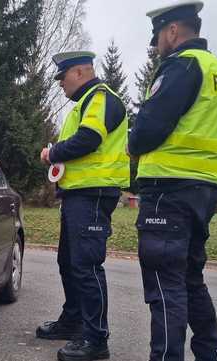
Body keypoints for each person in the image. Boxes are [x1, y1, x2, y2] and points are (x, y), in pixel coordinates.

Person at [128, 1, 217, 360]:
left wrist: (134, 143)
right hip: (204, 189)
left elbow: (146, 129)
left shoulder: (181, 65)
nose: (157, 44)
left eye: (159, 35)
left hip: (168, 191)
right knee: (190, 278)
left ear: (172, 30)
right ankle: (211, 353)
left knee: (164, 285)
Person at [37, 51, 130, 361]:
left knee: (87, 267)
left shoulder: (100, 97)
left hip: (93, 193)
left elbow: (88, 140)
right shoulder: (87, 102)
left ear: (80, 72)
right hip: (79, 194)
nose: (61, 84)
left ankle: (95, 339)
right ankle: (74, 321)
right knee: (69, 262)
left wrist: (53, 153)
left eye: (63, 77)